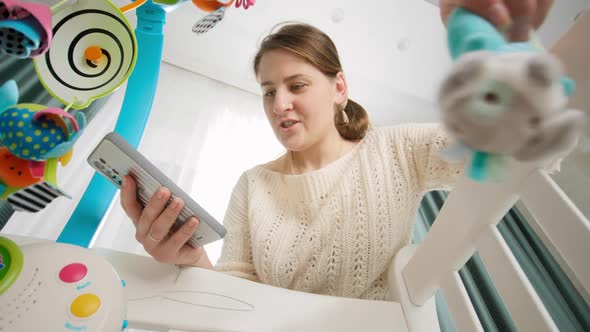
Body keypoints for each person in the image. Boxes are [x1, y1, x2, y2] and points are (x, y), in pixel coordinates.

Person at [119, 0, 555, 300]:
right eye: (269, 92)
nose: (279, 104)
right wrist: (190, 257)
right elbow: (238, 295)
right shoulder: (252, 184)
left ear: (339, 88)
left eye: (297, 86)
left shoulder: (395, 149)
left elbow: (522, 142)